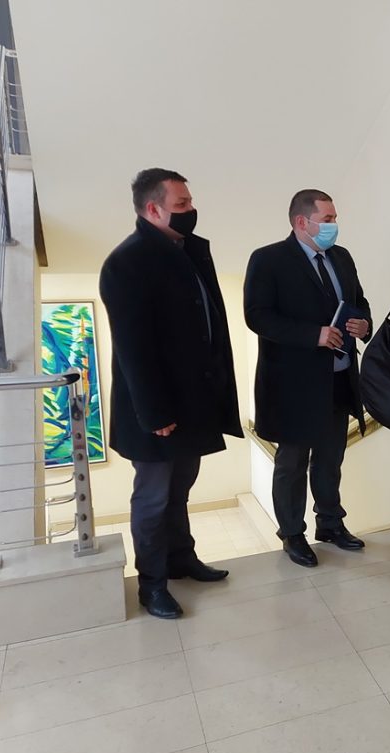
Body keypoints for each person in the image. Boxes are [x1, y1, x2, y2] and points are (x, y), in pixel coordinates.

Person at [99, 168, 243, 620]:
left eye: (189, 202)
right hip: (157, 411)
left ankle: (182, 558)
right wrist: (155, 412)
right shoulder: (127, 262)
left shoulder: (189, 250)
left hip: (193, 402)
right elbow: (134, 349)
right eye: (181, 205)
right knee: (153, 497)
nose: (191, 210)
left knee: (181, 486)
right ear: (153, 209)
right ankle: (152, 583)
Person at [244, 189, 372, 567]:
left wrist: (363, 323)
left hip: (339, 377)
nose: (334, 225)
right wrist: (312, 335)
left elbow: (359, 301)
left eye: (335, 219)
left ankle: (330, 523)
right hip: (294, 385)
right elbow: (257, 316)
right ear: (302, 222)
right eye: (327, 219)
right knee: (293, 463)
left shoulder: (342, 257)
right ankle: (292, 534)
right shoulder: (268, 259)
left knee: (331, 458)